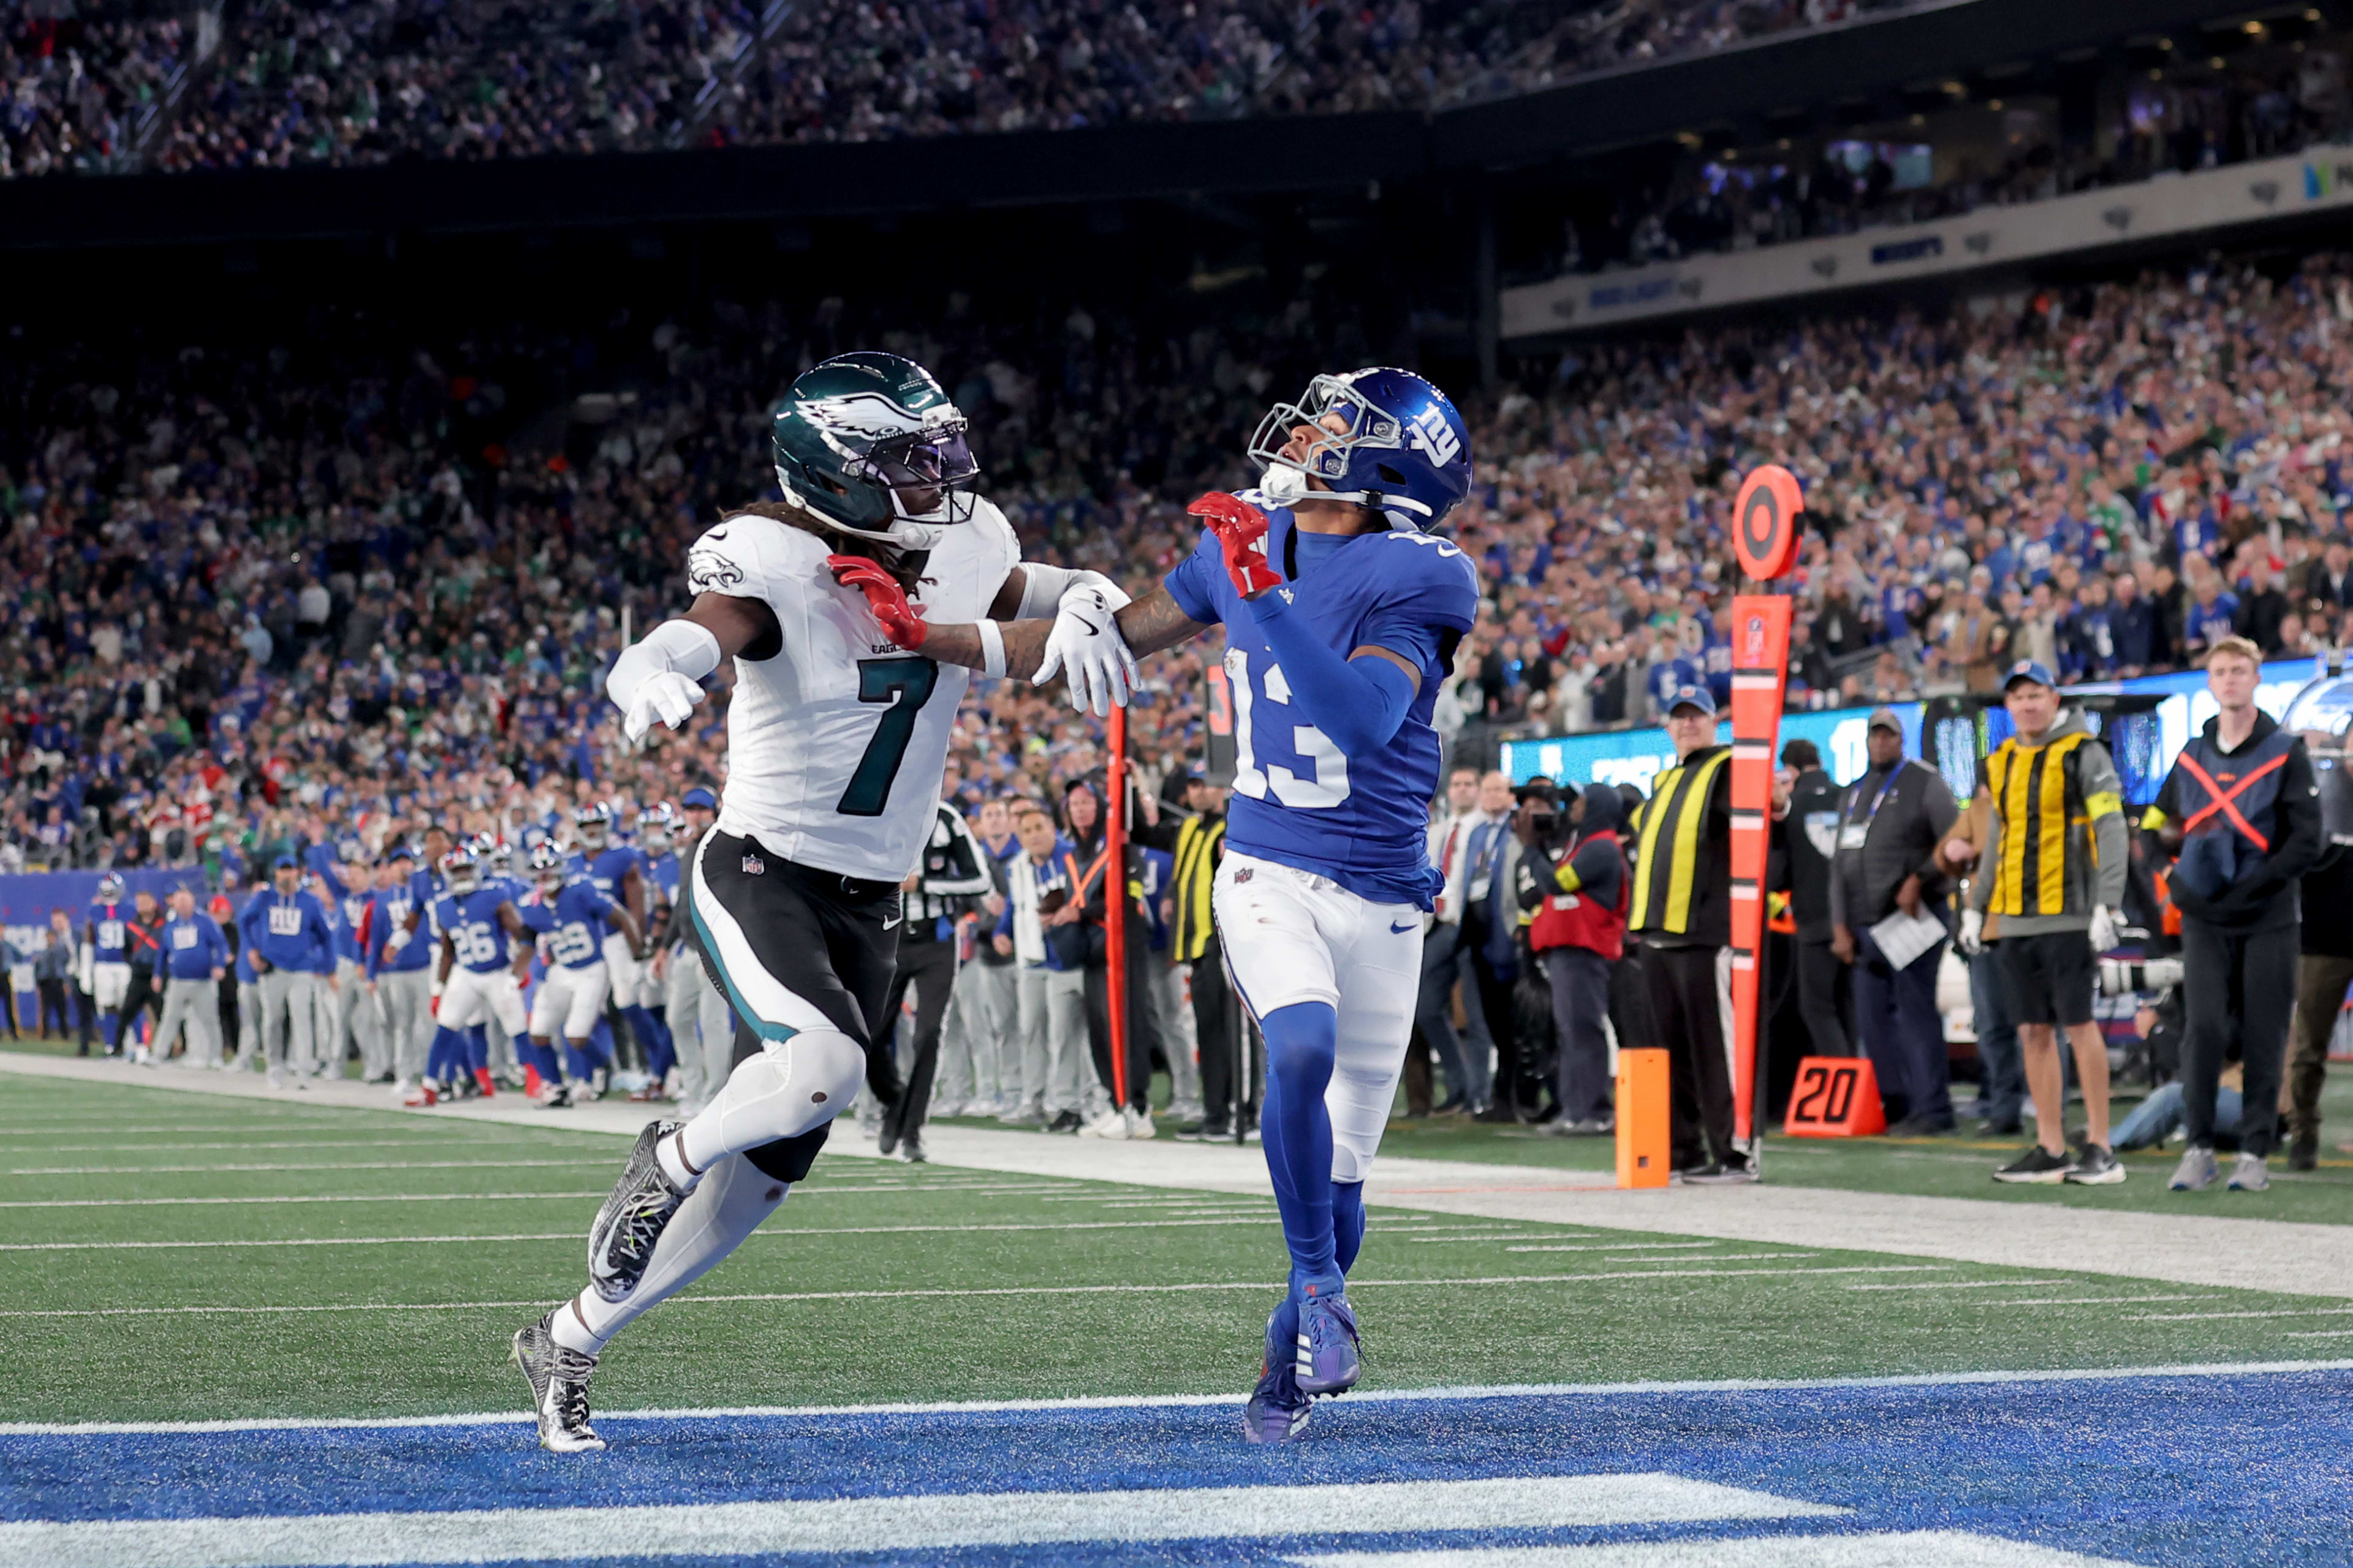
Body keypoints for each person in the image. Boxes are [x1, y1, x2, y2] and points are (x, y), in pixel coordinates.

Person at [515, 350, 1146, 1452]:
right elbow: (701, 628)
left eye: (943, 447)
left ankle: (570, 1335)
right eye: (914, 457)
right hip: (762, 864)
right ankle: (664, 1157)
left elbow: (1039, 592)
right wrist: (641, 667)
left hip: (873, 898)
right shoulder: (771, 556)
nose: (944, 472)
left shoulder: (959, 545)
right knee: (820, 1069)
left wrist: (1088, 596)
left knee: (776, 1160)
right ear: (837, 469)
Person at [910, 363, 1479, 1444]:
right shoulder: (1241, 544)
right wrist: (929, 628)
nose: (1309, 430)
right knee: (1298, 1045)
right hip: (1270, 864)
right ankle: (1316, 1285)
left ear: (1387, 463)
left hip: (1386, 892)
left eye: (1339, 423)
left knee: (1349, 1169)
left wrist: (1262, 588)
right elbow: (1106, 637)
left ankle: (1289, 1344)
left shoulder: (1424, 572)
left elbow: (1362, 720)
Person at [2145, 635, 2321, 1192]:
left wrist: (2256, 883)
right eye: (2220, 670)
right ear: (2210, 681)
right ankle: (2198, 1148)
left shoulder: (2286, 751)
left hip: (2269, 915)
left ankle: (2255, 1153)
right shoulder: (2190, 757)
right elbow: (2153, 830)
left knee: (2266, 1033)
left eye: (2239, 670)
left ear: (2256, 677)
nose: (2229, 679)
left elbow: (2307, 841)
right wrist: (2176, 882)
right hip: (2204, 917)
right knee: (2204, 1028)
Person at [1963, 661, 2130, 1185]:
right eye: (2018, 697)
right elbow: (1997, 837)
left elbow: (2111, 825)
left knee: (2079, 1026)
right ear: (2008, 706)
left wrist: (2108, 900)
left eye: (2037, 694)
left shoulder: (2085, 752)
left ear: (2055, 699)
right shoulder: (2002, 760)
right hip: (2014, 917)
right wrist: (1976, 903)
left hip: (2069, 912)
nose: (2028, 704)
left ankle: (2102, 1145)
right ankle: (2051, 1145)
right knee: (2032, 1029)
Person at [1629, 684, 1747, 1183]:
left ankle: (1734, 1151)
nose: (1688, 724)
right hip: (1657, 936)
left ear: (1715, 720)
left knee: (1713, 1051)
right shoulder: (1664, 780)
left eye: (1696, 715)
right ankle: (1685, 1149)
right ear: (1667, 725)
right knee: (1670, 1053)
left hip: (1703, 933)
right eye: (1680, 717)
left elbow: (1759, 817)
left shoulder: (1728, 769)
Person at [1828, 707, 1960, 1133]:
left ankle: (1934, 1108)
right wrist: (1839, 924)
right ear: (1867, 741)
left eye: (1889, 736)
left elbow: (1956, 843)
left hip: (1911, 918)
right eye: (1875, 736)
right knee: (1872, 1020)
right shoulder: (1852, 793)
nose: (1882, 743)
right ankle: (1897, 1102)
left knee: (1916, 1013)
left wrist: (1920, 879)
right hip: (1865, 924)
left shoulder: (1926, 783)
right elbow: (1838, 865)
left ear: (1901, 740)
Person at [871, 800, 993, 1162]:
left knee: (928, 1034)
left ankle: (912, 1130)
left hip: (936, 940)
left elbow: (980, 879)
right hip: (889, 938)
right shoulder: (879, 811)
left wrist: (923, 884)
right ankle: (894, 1102)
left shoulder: (946, 817)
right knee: (872, 1034)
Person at [1517, 780, 1627, 1134]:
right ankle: (1575, 1110)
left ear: (1597, 807)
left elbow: (1555, 885)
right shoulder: (1585, 847)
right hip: (1569, 951)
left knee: (1582, 1031)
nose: (1573, 808)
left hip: (1584, 951)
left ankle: (1593, 1112)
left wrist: (1532, 850)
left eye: (1580, 801)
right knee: (1572, 1031)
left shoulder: (1601, 850)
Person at [520, 843, 643, 1108]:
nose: (546, 876)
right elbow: (527, 940)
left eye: (550, 869)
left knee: (577, 1035)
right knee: (538, 1032)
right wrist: (515, 972)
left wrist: (637, 955)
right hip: (561, 970)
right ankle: (556, 1088)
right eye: (540, 871)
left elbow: (621, 917)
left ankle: (602, 1065)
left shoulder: (580, 890)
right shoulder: (530, 905)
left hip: (591, 969)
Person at [999, 801, 1090, 1129]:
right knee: (1031, 1031)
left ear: (1053, 829)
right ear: (1019, 838)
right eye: (1027, 831)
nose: (1034, 836)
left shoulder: (1072, 858)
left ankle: (1076, 1100)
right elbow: (1015, 904)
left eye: (1039, 828)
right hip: (1032, 958)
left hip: (1068, 960)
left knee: (1067, 1035)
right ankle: (1034, 1098)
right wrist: (1002, 931)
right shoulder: (1018, 865)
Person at [1938, 789, 2024, 1135]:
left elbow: (2020, 853)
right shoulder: (1978, 809)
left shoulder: (2031, 800)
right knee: (1991, 1027)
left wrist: (1973, 852)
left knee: (2039, 1026)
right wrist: (1951, 853)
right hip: (1984, 928)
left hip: (2027, 927)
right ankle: (2005, 1111)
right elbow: (1945, 853)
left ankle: (2053, 1110)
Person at [1163, 774, 1245, 1140]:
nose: (1199, 791)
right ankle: (1215, 1111)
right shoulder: (1190, 829)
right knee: (1209, 1035)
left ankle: (1232, 1113)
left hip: (1221, 947)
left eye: (1207, 784)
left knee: (1227, 1035)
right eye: (1193, 784)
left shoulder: (1230, 828)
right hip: (1196, 947)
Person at [935, 795, 1021, 1118]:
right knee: (966, 1027)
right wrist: (975, 922)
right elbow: (963, 908)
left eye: (1000, 814)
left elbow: (1009, 906)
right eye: (990, 815)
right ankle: (963, 1091)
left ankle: (1001, 1091)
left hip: (1009, 953)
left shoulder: (1020, 858)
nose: (996, 820)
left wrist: (986, 922)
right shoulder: (974, 861)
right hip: (977, 952)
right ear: (980, 825)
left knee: (1002, 1027)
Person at [1413, 764, 1487, 1115]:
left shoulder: (1486, 829)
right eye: (1456, 784)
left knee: (1476, 1014)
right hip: (1439, 924)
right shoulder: (1439, 831)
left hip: (1471, 924)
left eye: (1469, 784)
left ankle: (1478, 1093)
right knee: (1426, 1006)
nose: (1462, 790)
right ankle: (1459, 1086)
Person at [658, 787, 735, 1118]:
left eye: (700, 809)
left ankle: (715, 1093)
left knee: (713, 1022)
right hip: (688, 950)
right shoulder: (690, 848)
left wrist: (714, 946)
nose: (694, 815)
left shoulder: (722, 845)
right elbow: (683, 903)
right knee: (678, 1019)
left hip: (714, 951)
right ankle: (693, 1088)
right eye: (689, 809)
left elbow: (726, 902)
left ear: (713, 811)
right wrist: (664, 947)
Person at [1773, 738, 1850, 1059]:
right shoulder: (1846, 798)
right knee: (1852, 1009)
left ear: (1790, 769)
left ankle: (1844, 1087)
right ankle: (1868, 1087)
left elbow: (1779, 876)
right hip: (1851, 919)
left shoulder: (1793, 810)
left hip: (1812, 923)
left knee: (1817, 1008)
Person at [1460, 770, 1528, 1120]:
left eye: (1498, 790)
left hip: (1508, 936)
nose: (1490, 797)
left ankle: (1514, 1099)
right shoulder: (1476, 833)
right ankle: (1501, 1099)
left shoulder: (1517, 829)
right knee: (1491, 1020)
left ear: (1511, 794)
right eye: (1486, 790)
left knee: (1513, 1024)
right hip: (1479, 937)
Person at [238, 854, 335, 1090]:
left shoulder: (310, 902)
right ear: (276, 873)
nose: (287, 874)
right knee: (272, 1020)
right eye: (282, 870)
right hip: (272, 968)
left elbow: (325, 935)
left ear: (297, 872)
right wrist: (252, 949)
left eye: (290, 870)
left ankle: (303, 1070)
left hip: (301, 968)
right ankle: (275, 1067)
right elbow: (243, 921)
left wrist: (327, 967)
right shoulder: (265, 897)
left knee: (302, 1019)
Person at [366, 846, 436, 1099]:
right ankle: (404, 1074)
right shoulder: (383, 899)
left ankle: (431, 1075)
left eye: (407, 862)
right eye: (398, 863)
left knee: (429, 1023)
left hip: (424, 965)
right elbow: (376, 939)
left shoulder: (422, 891)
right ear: (390, 868)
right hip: (396, 970)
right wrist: (372, 973)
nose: (403, 866)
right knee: (402, 1026)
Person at [151, 886, 229, 1069]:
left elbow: (219, 944)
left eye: (186, 903)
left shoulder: (205, 922)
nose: (183, 907)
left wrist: (219, 965)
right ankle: (159, 1053)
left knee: (209, 1019)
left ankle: (215, 1056)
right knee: (170, 1017)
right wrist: (157, 974)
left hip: (203, 980)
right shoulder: (171, 925)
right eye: (180, 903)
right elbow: (162, 952)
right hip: (178, 979)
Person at [85, 873, 134, 1055]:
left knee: (128, 1006)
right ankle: (111, 1045)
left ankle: (135, 1045)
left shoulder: (130, 909)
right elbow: (89, 940)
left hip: (124, 964)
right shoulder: (95, 910)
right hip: (103, 964)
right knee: (107, 1006)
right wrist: (86, 970)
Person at [35, 910, 77, 1043]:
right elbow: (38, 969)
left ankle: (65, 1034)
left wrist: (66, 981)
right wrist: (38, 983)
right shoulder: (42, 952)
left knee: (62, 1011)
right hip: (46, 983)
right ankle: (45, 1035)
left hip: (58, 982)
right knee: (46, 1011)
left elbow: (66, 963)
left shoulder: (61, 949)